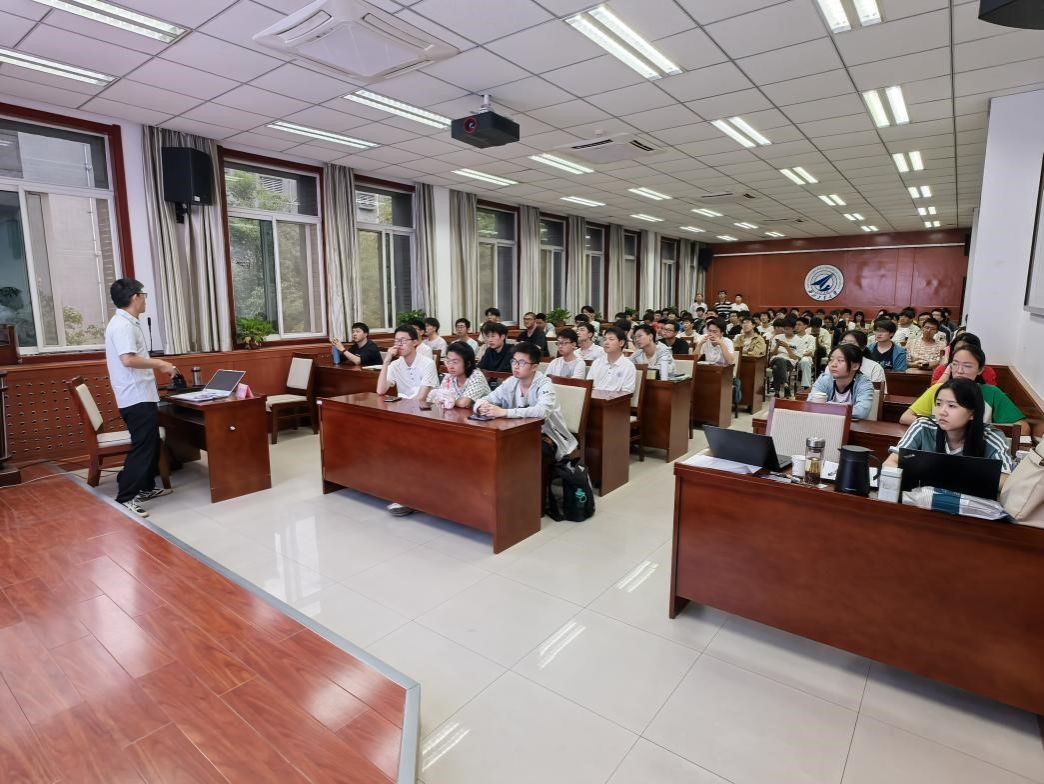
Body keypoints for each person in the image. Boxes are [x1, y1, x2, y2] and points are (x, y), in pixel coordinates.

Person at [104, 278, 177, 518]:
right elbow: (128, 359)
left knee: (151, 442)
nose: (145, 299)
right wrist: (160, 364)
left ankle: (145, 487)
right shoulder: (123, 326)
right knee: (143, 447)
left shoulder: (127, 322)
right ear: (135, 296)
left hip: (140, 394)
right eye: (144, 294)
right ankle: (126, 497)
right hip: (135, 397)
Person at [474, 343, 579, 463]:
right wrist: (481, 407)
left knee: (520, 451)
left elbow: (542, 411)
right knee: (490, 445)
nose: (516, 366)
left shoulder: (545, 384)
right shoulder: (511, 382)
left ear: (534, 367)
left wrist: (505, 412)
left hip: (548, 436)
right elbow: (486, 398)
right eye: (514, 361)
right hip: (518, 432)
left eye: (522, 363)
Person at [885, 378, 1012, 473]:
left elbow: (1005, 480)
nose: (942, 412)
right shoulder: (923, 426)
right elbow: (890, 462)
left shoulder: (991, 437)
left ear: (972, 414)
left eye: (951, 406)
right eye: (939, 404)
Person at [899, 344, 1029, 434]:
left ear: (980, 370)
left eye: (967, 366)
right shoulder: (938, 389)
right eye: (955, 364)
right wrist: (944, 425)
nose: (959, 371)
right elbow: (906, 417)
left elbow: (1023, 428)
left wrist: (974, 429)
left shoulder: (991, 393)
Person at [810, 344, 875, 420]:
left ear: (855, 366)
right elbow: (810, 403)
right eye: (831, 360)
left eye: (840, 360)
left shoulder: (864, 383)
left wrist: (826, 406)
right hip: (825, 423)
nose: (833, 365)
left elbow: (861, 412)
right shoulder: (824, 379)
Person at [377, 324, 438, 401]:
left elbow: (421, 397)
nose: (399, 344)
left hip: (426, 406)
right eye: (397, 340)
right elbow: (380, 391)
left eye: (403, 340)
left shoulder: (428, 363)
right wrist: (386, 362)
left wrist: (402, 406)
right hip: (404, 405)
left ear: (414, 342)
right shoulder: (395, 364)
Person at [427, 341, 490, 409]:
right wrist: (448, 401)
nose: (450, 366)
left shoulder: (477, 376)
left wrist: (449, 401)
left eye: (455, 362)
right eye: (448, 361)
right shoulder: (449, 377)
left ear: (468, 364)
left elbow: (464, 403)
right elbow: (439, 398)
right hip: (456, 413)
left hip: (482, 414)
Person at [932, 332, 997, 386]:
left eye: (967, 349)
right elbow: (932, 394)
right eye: (957, 349)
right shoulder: (941, 369)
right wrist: (946, 374)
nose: (962, 352)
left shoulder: (987, 371)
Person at [589, 326, 637, 394]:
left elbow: (627, 392)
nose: (606, 342)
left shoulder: (629, 366)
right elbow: (589, 385)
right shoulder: (596, 363)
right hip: (594, 399)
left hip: (616, 400)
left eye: (611, 339)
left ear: (621, 343)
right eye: (605, 339)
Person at [791, 316, 818, 389]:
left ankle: (806, 385)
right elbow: (791, 349)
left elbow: (810, 351)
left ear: (805, 326)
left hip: (805, 357)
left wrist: (800, 354)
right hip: (793, 357)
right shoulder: (792, 337)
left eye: (799, 324)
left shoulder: (811, 338)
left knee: (805, 360)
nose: (796, 326)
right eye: (796, 324)